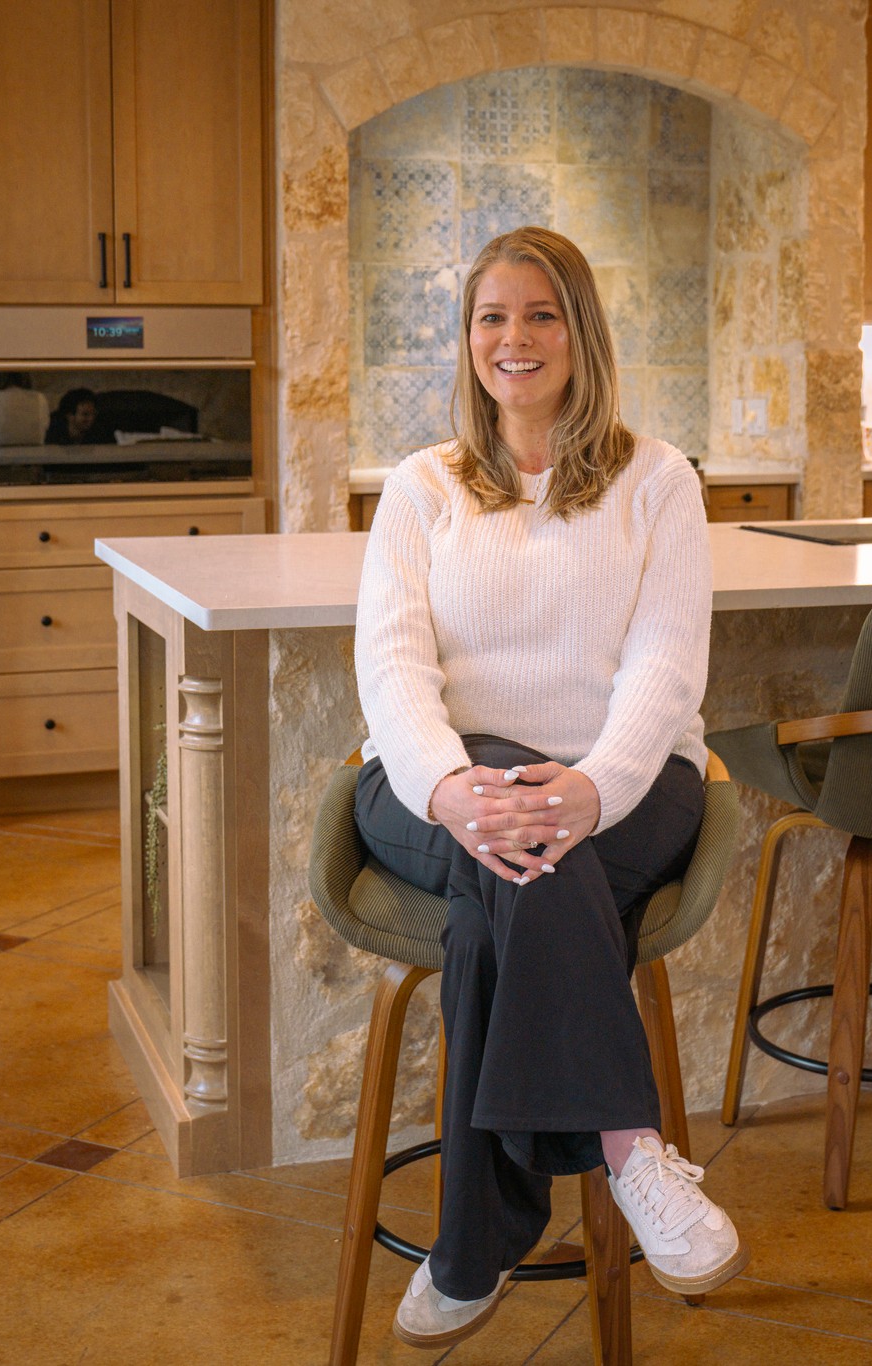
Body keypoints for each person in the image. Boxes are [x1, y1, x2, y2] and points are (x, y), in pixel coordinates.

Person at [352, 226, 744, 1351]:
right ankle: (631, 1148)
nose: (512, 339)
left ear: (579, 332)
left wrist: (590, 785)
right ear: (466, 338)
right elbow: (390, 666)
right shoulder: (421, 488)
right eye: (490, 317)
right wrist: (447, 786)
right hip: (437, 780)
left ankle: (470, 1248)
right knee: (525, 867)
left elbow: (666, 669)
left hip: (629, 779)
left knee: (496, 921)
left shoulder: (656, 480)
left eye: (538, 315)